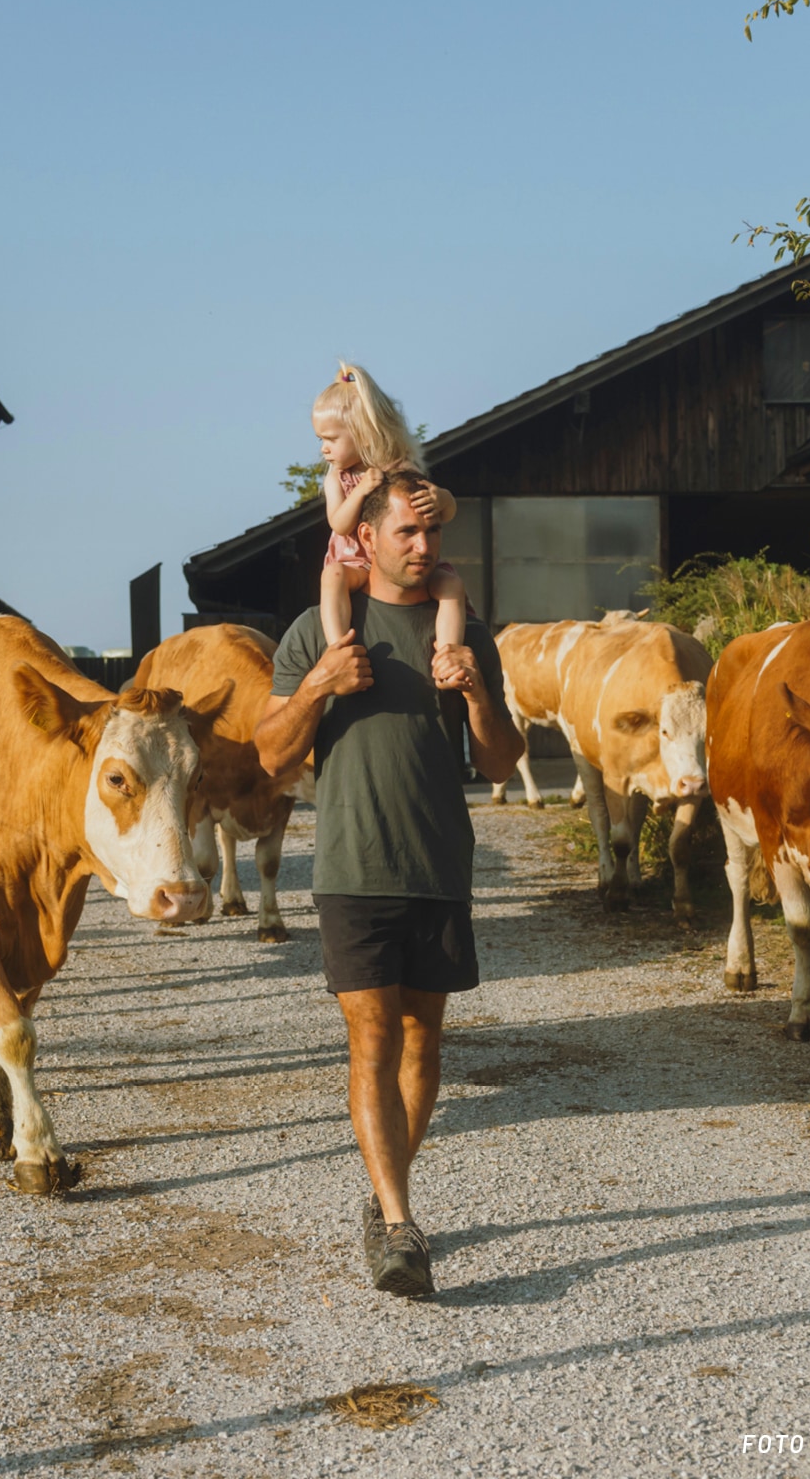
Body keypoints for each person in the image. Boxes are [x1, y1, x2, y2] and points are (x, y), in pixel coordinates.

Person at [255, 470, 525, 1296]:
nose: (423, 547)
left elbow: (503, 761)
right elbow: (270, 754)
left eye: (431, 534)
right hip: (352, 866)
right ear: (363, 538)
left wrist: (475, 690)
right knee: (372, 1037)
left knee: (424, 1041)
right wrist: (318, 685)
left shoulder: (464, 635)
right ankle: (402, 1224)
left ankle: (381, 1198)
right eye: (406, 533)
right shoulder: (319, 630)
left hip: (439, 861)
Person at [314, 362, 468, 653]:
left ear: (363, 433)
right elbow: (339, 524)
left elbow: (445, 513)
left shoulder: (400, 468)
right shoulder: (337, 479)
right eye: (320, 439)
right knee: (332, 577)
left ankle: (449, 653)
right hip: (356, 563)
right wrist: (360, 491)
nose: (323, 448)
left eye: (331, 439)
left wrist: (441, 499)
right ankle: (339, 648)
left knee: (451, 586)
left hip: (402, 565)